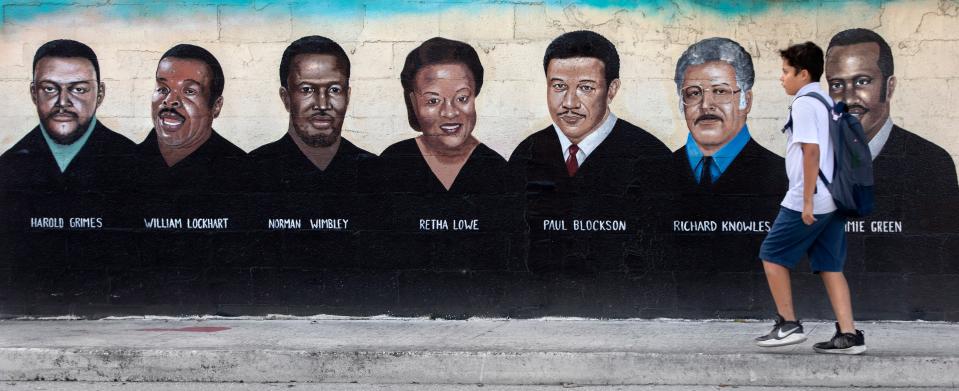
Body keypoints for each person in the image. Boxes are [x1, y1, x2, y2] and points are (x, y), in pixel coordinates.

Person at [507, 30, 672, 274]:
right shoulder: (527, 153)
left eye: (586, 88)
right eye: (559, 86)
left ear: (612, 89)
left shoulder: (652, 158)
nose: (570, 102)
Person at [756, 42, 866, 354]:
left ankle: (788, 324)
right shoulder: (826, 101)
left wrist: (805, 201)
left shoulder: (804, 103)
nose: (781, 78)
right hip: (832, 198)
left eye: (785, 71)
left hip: (812, 198)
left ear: (803, 74)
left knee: (772, 254)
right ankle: (849, 335)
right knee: (831, 265)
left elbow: (811, 150)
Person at [373, 37, 514, 275]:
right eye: (433, 100)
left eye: (462, 98)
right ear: (413, 102)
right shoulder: (390, 164)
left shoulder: (499, 172)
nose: (450, 112)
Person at [0, 39, 136, 223]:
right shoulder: (7, 168)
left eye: (79, 89)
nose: (63, 102)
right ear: (33, 93)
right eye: (49, 89)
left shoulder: (134, 162)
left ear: (100, 94)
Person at [825, 28, 958, 198]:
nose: (848, 99)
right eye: (836, 84)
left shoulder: (932, 163)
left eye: (862, 81)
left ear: (890, 87)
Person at [250, 35, 376, 194]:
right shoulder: (252, 170)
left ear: (348, 96)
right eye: (307, 90)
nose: (322, 105)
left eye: (334, 90)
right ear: (286, 98)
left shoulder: (374, 171)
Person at [671, 37, 786, 195]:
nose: (705, 105)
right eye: (694, 93)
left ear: (747, 101)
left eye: (720, 91)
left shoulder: (784, 178)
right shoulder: (652, 175)